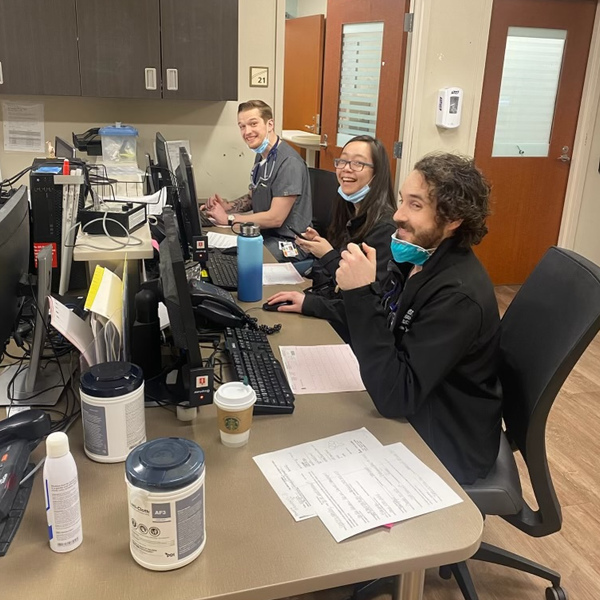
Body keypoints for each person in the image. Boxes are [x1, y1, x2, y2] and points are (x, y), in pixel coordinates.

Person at [334, 152, 503, 485]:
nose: (398, 215)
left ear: (453, 218)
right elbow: (388, 323)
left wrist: (358, 295)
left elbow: (396, 397)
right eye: (401, 201)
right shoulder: (420, 258)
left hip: (450, 442)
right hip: (423, 406)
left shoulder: (458, 297)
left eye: (415, 205)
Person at [264, 135, 396, 339]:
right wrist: (319, 248)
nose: (346, 168)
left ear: (377, 174)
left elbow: (365, 301)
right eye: (342, 161)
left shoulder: (385, 228)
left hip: (351, 329)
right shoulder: (350, 212)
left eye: (358, 163)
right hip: (328, 303)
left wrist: (327, 255)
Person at [204, 100, 312, 262]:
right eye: (242, 126)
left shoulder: (289, 163)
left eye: (253, 124)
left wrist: (229, 219)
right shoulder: (262, 155)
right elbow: (252, 197)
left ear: (270, 124)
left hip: (290, 244)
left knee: (232, 259)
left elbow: (275, 218)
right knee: (215, 252)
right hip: (265, 235)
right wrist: (227, 207)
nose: (247, 131)